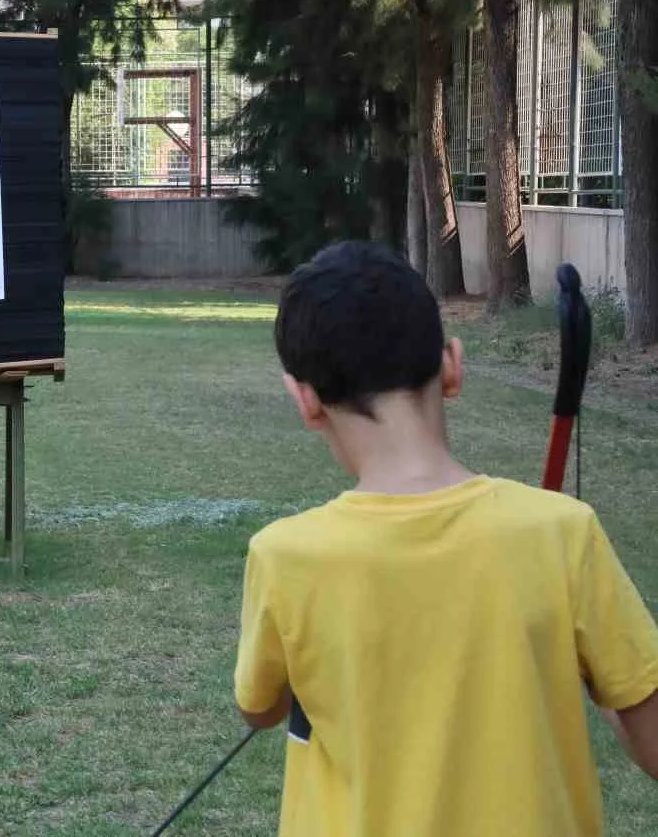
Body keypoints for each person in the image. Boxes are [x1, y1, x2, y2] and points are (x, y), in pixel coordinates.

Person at [235, 240, 658, 837]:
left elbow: (260, 707)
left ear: (304, 399)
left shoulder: (283, 555)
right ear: (453, 365)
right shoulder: (561, 532)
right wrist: (610, 683)